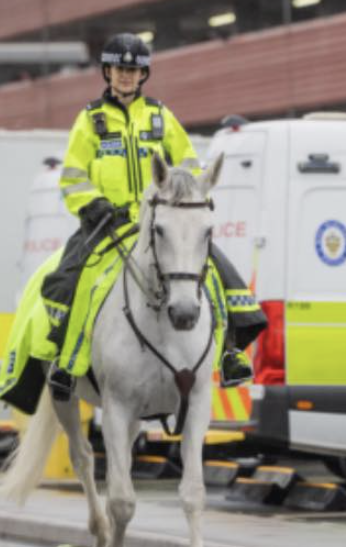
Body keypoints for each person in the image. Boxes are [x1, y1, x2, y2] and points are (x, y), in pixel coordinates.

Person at [41, 32, 267, 399]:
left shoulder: (162, 117)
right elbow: (73, 175)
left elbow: (190, 164)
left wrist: (186, 196)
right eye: (120, 69)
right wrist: (93, 204)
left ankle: (230, 354)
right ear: (107, 72)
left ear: (143, 75)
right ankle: (68, 360)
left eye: (134, 70)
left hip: (163, 221)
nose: (127, 76)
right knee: (71, 279)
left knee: (215, 271)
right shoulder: (90, 121)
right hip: (107, 224)